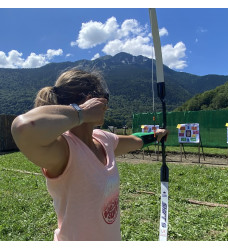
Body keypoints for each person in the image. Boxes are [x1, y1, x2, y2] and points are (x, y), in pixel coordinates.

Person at [11, 69, 168, 241]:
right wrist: (82, 112)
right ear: (91, 100)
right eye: (104, 97)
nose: (106, 105)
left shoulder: (103, 139)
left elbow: (134, 140)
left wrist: (156, 135)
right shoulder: (64, 150)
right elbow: (23, 127)